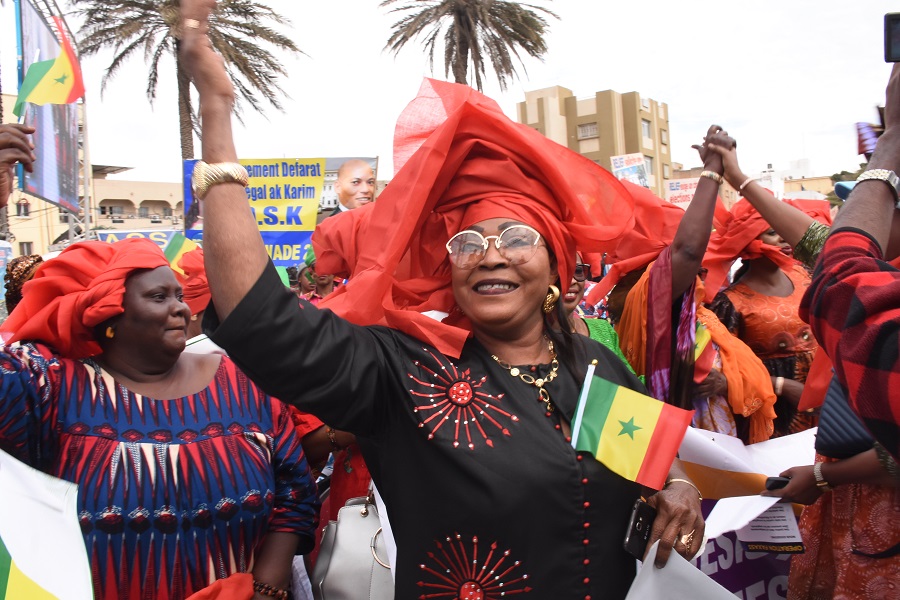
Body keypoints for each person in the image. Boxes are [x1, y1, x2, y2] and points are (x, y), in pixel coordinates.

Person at [181, 3, 704, 598]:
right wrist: (217, 113)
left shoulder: (592, 366)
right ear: (449, 269)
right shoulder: (402, 373)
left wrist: (679, 485)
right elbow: (262, 320)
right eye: (467, 242)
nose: (490, 254)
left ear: (554, 265)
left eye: (514, 238)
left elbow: (654, 462)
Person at [0, 234, 320, 599]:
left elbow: (294, 491)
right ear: (108, 312)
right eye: (158, 297)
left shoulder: (244, 382)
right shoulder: (53, 386)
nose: (181, 309)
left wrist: (266, 587)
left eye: (180, 296)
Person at [587, 135, 777, 445]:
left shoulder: (690, 305)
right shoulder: (648, 293)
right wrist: (712, 171)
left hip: (719, 436)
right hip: (691, 443)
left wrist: (727, 383)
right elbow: (687, 251)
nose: (700, 267)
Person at [704, 194, 831, 437]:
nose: (783, 237)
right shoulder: (730, 303)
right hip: (776, 411)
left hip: (828, 397)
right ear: (749, 241)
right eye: (772, 232)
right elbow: (725, 372)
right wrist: (783, 386)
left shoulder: (805, 274)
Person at [563, 251, 638, 379]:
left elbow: (630, 384)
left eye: (578, 271)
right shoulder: (527, 341)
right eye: (562, 272)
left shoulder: (603, 330)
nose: (572, 281)